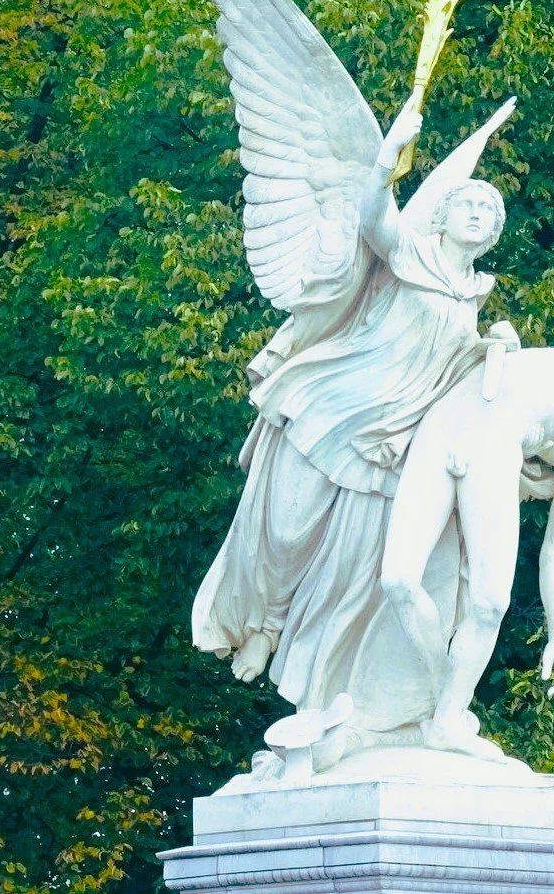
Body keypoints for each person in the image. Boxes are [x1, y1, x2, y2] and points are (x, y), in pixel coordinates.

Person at [191, 98, 515, 712]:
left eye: (488, 209)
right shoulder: (410, 254)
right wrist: (385, 162)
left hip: (387, 443)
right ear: (442, 219)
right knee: (283, 531)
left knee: (352, 566)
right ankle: (260, 620)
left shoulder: (474, 295)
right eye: (467, 204)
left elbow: (462, 374)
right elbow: (377, 221)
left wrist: (496, 346)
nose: (477, 213)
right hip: (331, 404)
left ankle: (302, 658)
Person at [379, 347, 554, 759]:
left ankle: (447, 716)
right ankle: (445, 699)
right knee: (398, 582)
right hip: (446, 424)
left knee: (488, 604)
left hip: (479, 438)